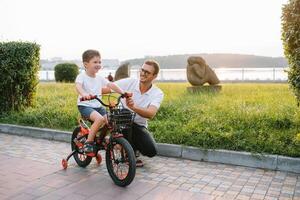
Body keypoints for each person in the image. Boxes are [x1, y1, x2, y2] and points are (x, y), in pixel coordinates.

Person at [104, 60, 164, 167]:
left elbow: (151, 114)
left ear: (154, 76)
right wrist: (89, 91)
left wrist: (134, 107)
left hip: (138, 126)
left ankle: (123, 145)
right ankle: (127, 153)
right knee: (126, 114)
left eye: (147, 72)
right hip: (121, 120)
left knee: (151, 151)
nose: (143, 73)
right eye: (142, 70)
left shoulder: (157, 93)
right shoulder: (130, 82)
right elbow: (108, 88)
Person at [75, 49, 125, 154]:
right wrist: (84, 94)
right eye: (95, 62)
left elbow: (111, 85)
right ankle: (89, 142)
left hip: (98, 106)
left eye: (99, 62)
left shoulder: (99, 78)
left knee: (110, 121)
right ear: (86, 64)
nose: (98, 64)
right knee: (99, 119)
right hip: (85, 105)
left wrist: (122, 92)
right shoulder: (82, 76)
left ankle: (101, 139)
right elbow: (78, 86)